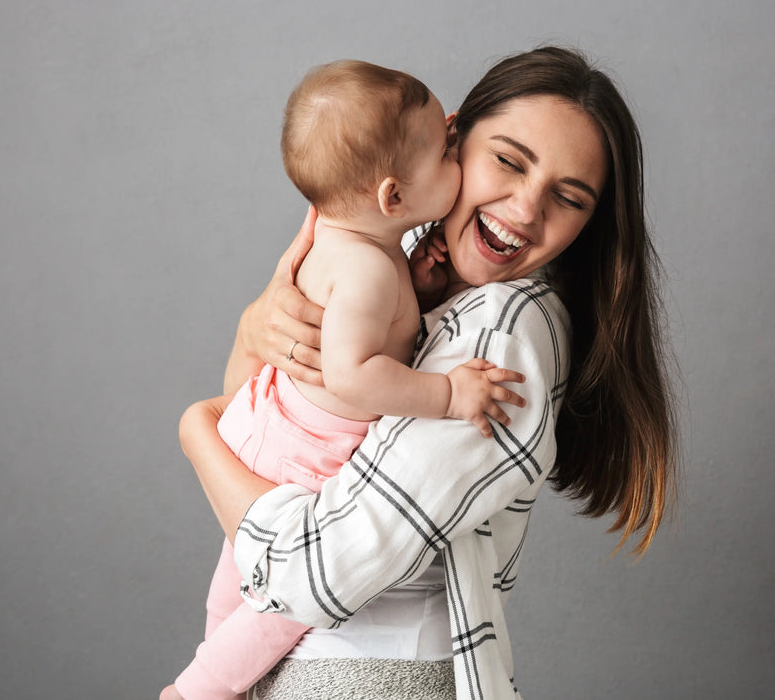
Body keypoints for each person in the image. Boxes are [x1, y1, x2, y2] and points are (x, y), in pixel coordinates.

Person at [177, 47, 681, 700]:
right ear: (453, 138)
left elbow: (308, 570)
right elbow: (268, 425)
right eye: (508, 160)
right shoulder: (402, 255)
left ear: (590, 225)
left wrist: (196, 429)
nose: (526, 210)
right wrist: (257, 326)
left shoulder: (499, 337)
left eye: (568, 196)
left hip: (366, 675)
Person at [164, 61, 526, 700]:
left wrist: (418, 283)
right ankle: (198, 692)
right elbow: (352, 374)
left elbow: (367, 325)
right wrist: (448, 393)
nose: (456, 151)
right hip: (309, 454)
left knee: (239, 578)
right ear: (392, 197)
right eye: (446, 153)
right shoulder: (366, 269)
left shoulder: (343, 236)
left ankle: (216, 664)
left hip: (267, 419)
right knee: (278, 606)